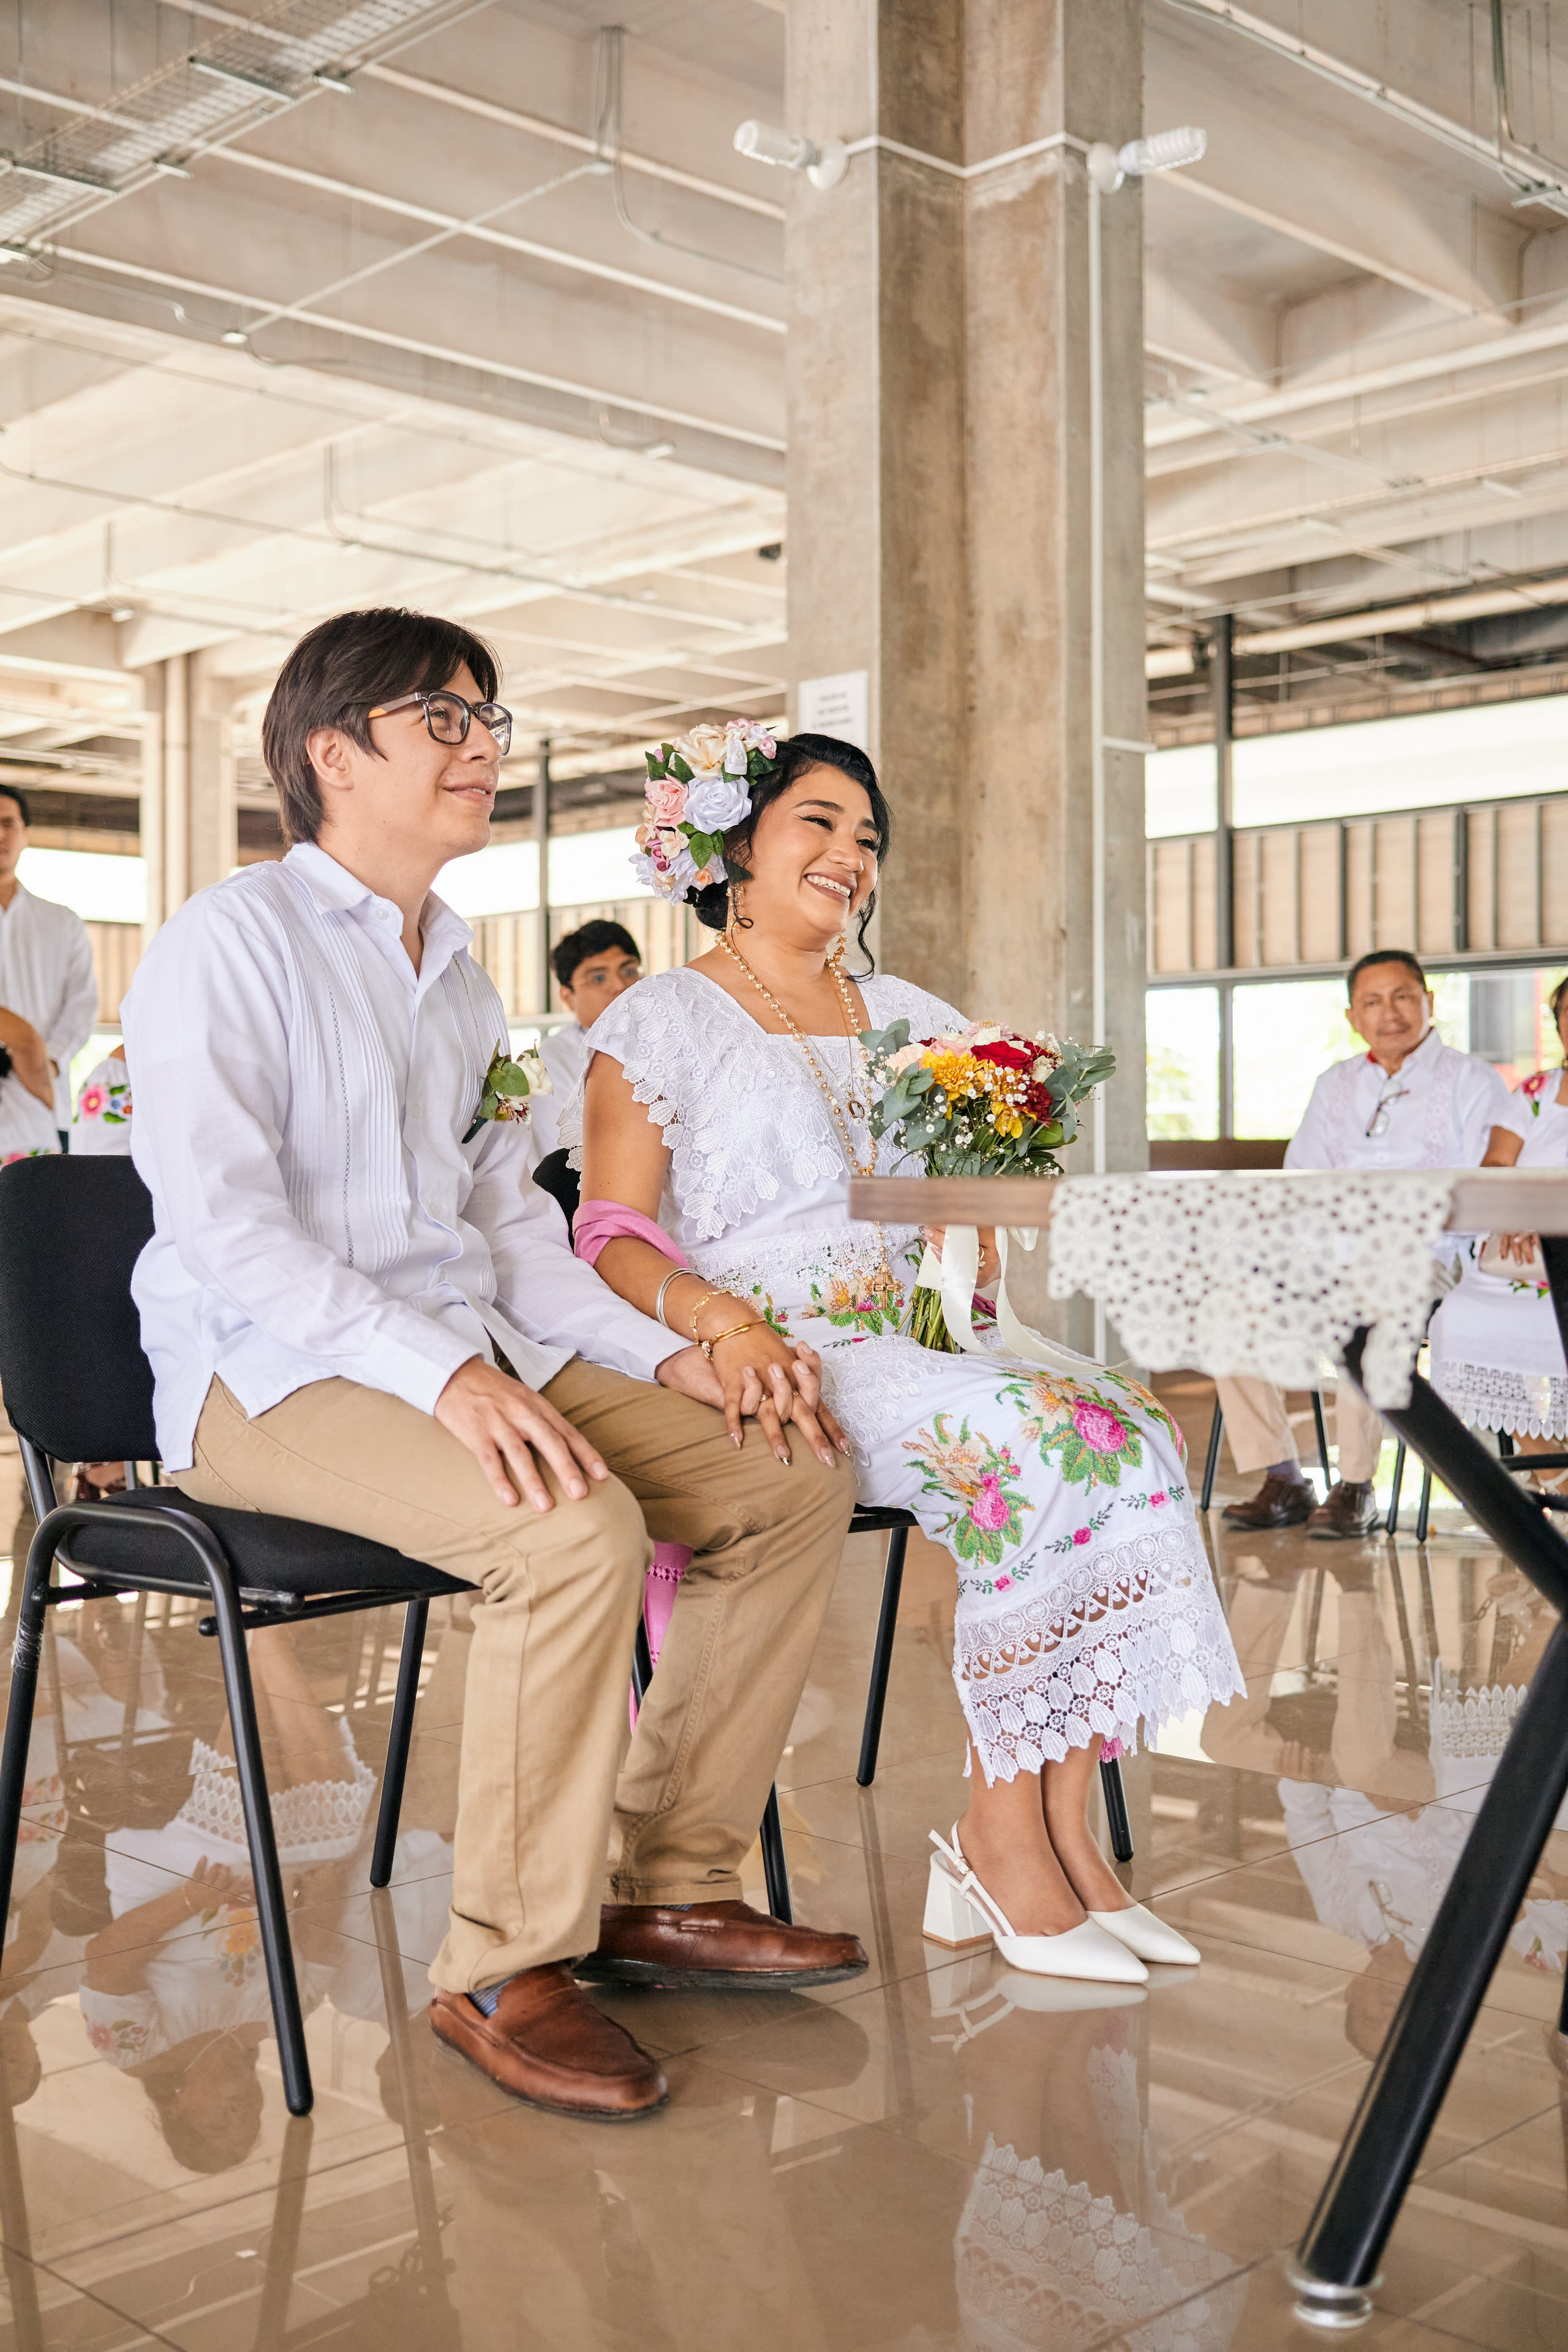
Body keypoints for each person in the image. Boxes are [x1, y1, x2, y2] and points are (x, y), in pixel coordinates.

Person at [121, 608, 864, 2127]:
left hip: (456, 1350)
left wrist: (675, 1349)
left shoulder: (457, 981)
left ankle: (663, 1885)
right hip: (261, 1377)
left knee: (785, 1471)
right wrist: (443, 1376)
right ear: (330, 753)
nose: (481, 746)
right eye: (441, 719)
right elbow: (227, 1231)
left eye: (489, 719)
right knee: (563, 1528)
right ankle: (501, 1963)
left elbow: (501, 1233)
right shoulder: (228, 939)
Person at [573, 722, 1243, 1986]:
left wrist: (973, 1235)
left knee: (1127, 1423)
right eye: (816, 825)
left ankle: (1056, 1835)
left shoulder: (912, 1014)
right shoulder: (659, 1021)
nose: (848, 856)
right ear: (737, 848)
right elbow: (607, 1235)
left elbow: (962, 1185)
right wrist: (722, 1328)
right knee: (1044, 1443)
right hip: (789, 1346)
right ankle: (999, 1838)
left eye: (865, 837)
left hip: (930, 1326)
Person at [1218, 949, 1513, 1540]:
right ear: (1353, 1016)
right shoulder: (1336, 1085)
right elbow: (1301, 1181)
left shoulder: (1471, 1081)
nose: (1391, 1013)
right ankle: (1283, 1477)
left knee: (1366, 1304)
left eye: (1403, 996)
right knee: (1229, 1305)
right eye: (1373, 1002)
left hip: (1429, 1255)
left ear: (1429, 1002)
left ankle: (1356, 1485)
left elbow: (1485, 1185)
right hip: (1332, 1254)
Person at [1428, 973, 1568, 1477]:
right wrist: (1520, 1212)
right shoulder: (1536, 1092)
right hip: (1521, 1256)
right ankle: (1550, 1467)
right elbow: (1497, 1164)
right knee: (1462, 1317)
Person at [0, 783, 97, 1155]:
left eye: (9, 823)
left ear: (25, 834)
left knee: (33, 1207)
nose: (1, 834)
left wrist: (46, 1063)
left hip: (42, 1100)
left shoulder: (61, 922)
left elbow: (82, 1006)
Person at [527, 920, 643, 1166]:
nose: (621, 986)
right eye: (598, 978)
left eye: (629, 971)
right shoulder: (549, 1064)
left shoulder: (668, 1039)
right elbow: (567, 1158)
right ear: (568, 997)